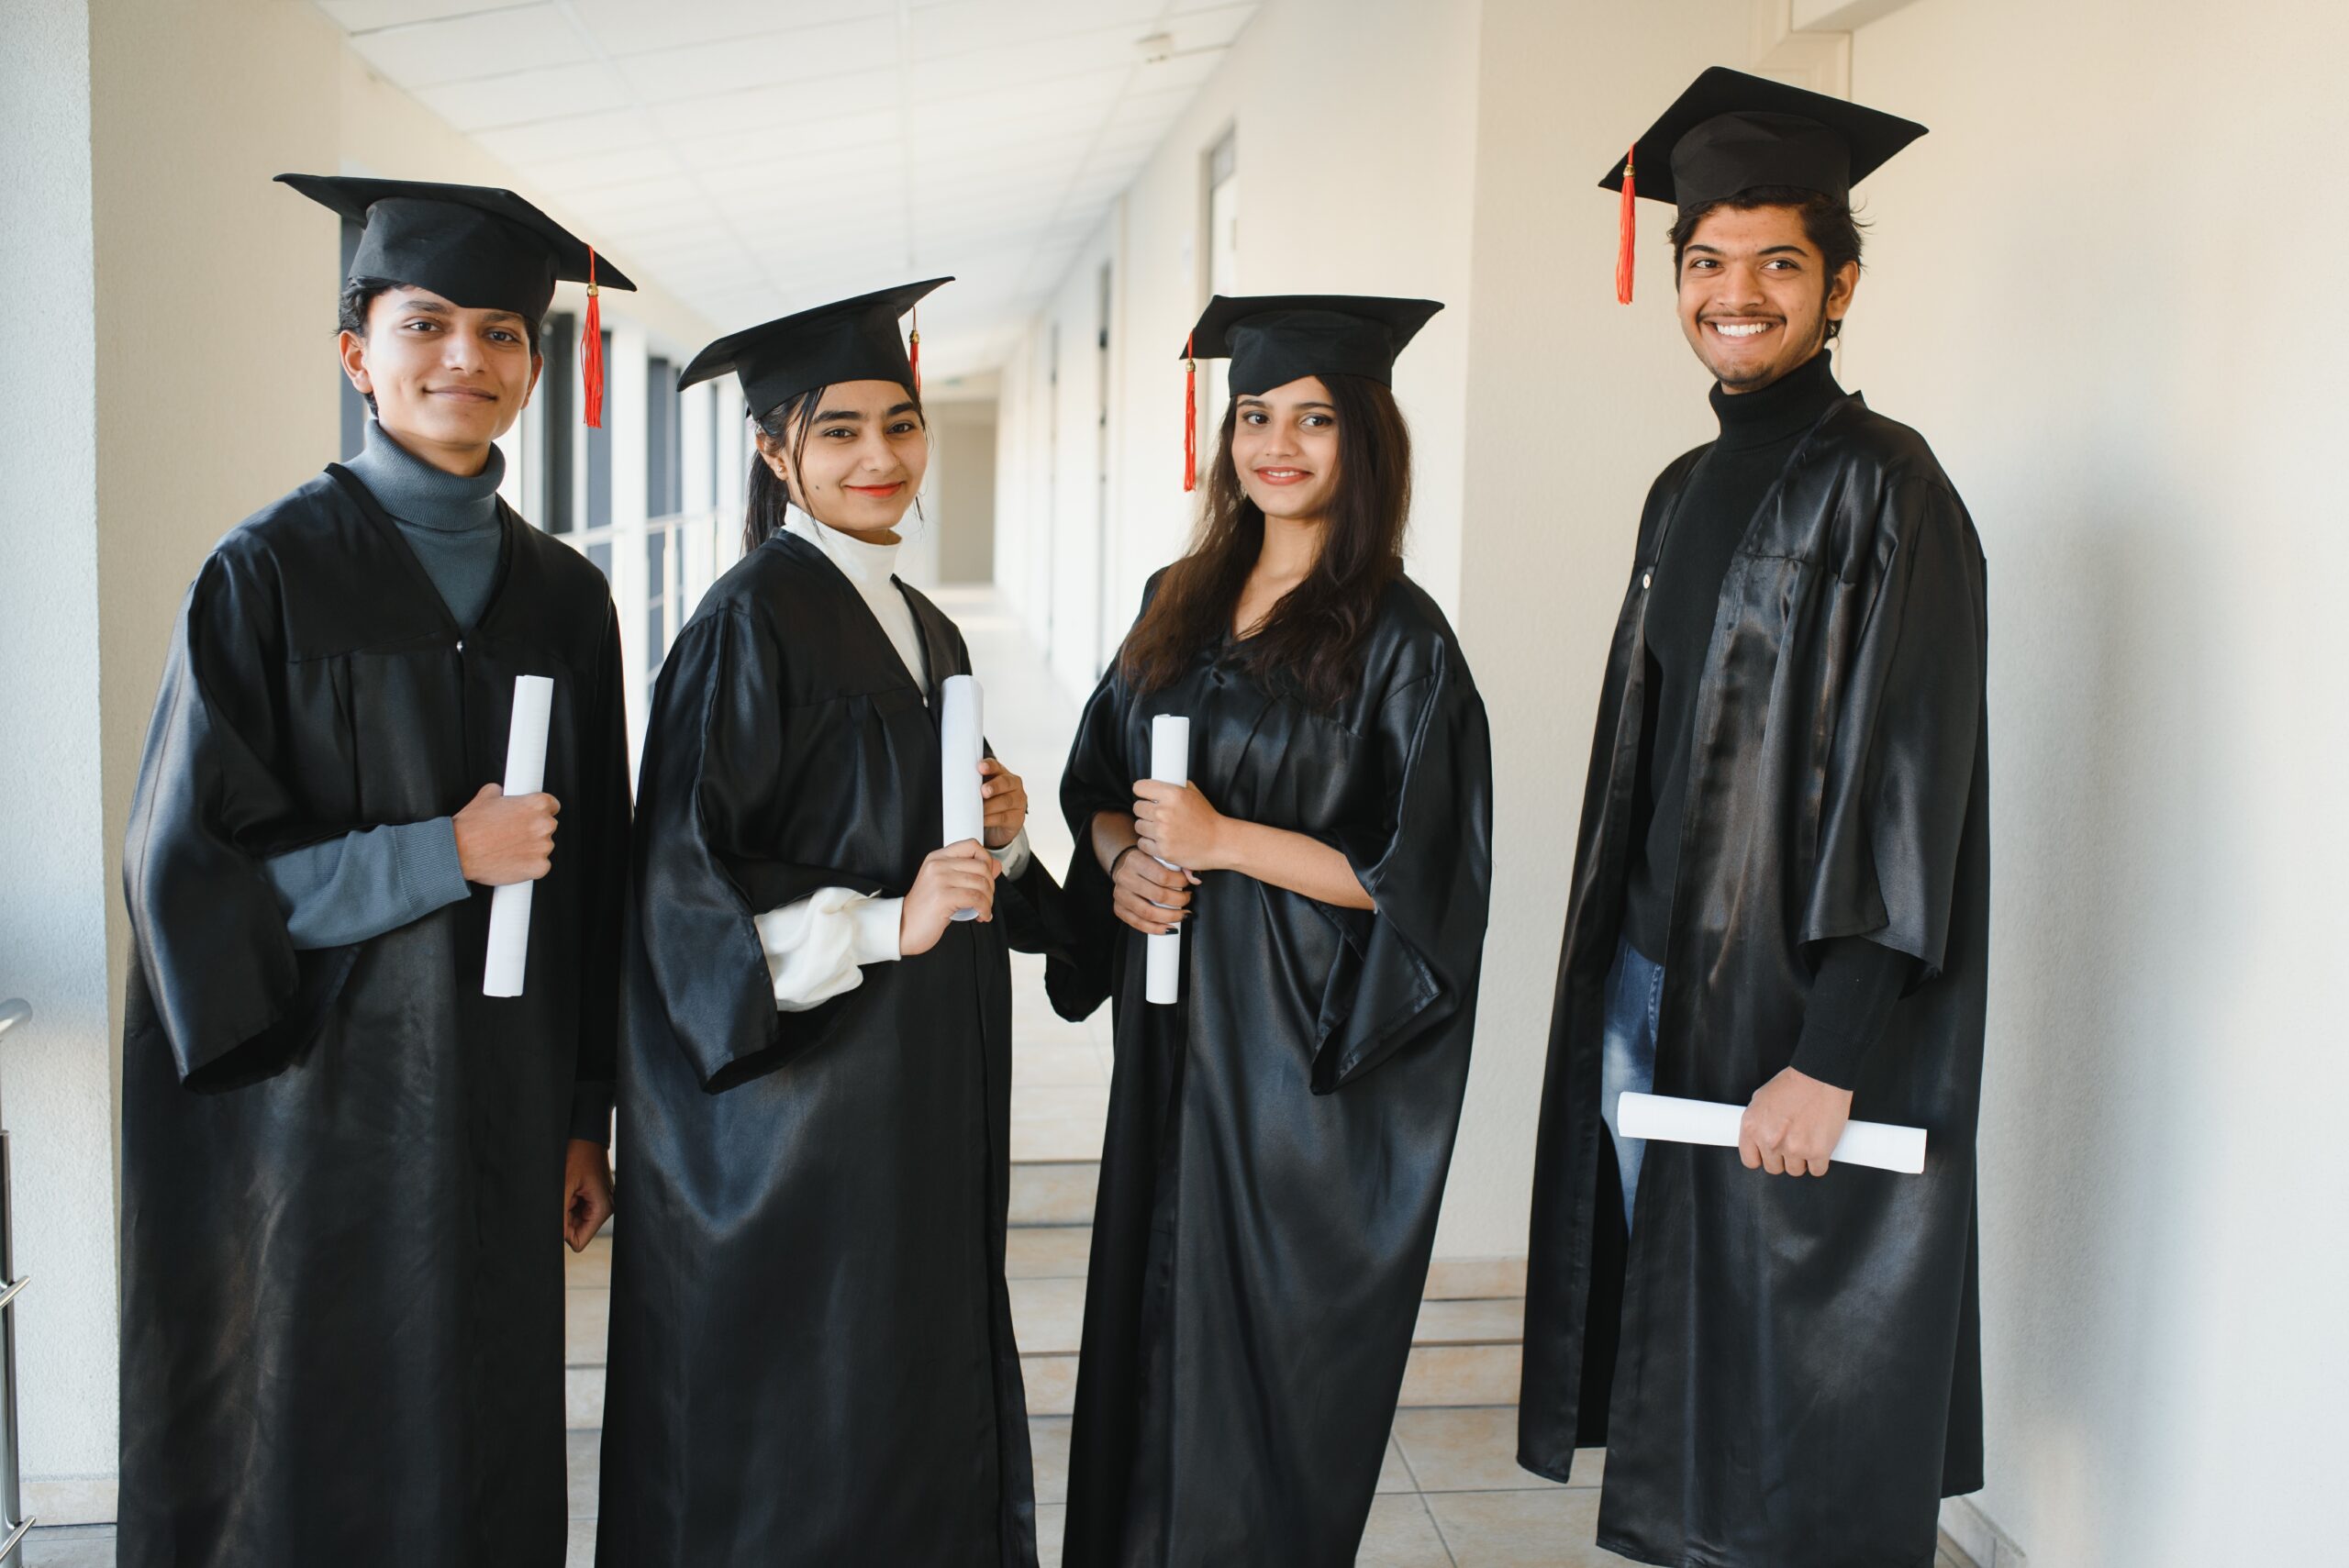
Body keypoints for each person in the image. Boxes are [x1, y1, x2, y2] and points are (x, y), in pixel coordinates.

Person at [118, 175, 634, 1568]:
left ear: (536, 363)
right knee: (323, 1420)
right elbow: (189, 876)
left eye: (503, 331)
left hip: (511, 1090)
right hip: (320, 1106)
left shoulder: (568, 601)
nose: (466, 356)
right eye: (427, 324)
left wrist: (588, 1110)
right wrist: (441, 855)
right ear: (358, 355)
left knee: (489, 1413)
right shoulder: (265, 576)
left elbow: (597, 885)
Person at [1517, 68, 1991, 1568]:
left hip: (1785, 1012)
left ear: (1841, 284)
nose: (1738, 293)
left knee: (1795, 1393)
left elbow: (1916, 788)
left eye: (1779, 261)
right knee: (1697, 1350)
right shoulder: (1681, 487)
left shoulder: (1892, 488)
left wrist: (1832, 1053)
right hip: (1652, 990)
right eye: (1707, 261)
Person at [597, 279, 1060, 1567]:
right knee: (812, 1430)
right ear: (773, 446)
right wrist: (874, 926)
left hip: (916, 1102)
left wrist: (1008, 827)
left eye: (899, 425)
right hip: (799, 1129)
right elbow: (681, 906)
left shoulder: (931, 626)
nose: (879, 457)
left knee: (908, 1402)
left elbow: (960, 870)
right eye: (840, 429)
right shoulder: (745, 625)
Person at [1049, 295, 1493, 1568]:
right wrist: (1130, 863)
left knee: (1268, 1361)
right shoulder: (1173, 598)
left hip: (1297, 1059)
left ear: (1367, 442)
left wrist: (1226, 840)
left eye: (1314, 418)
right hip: (1174, 1032)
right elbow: (1097, 787)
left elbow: (1424, 877)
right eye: (1257, 416)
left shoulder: (1402, 641)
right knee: (1148, 1323)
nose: (1279, 444)